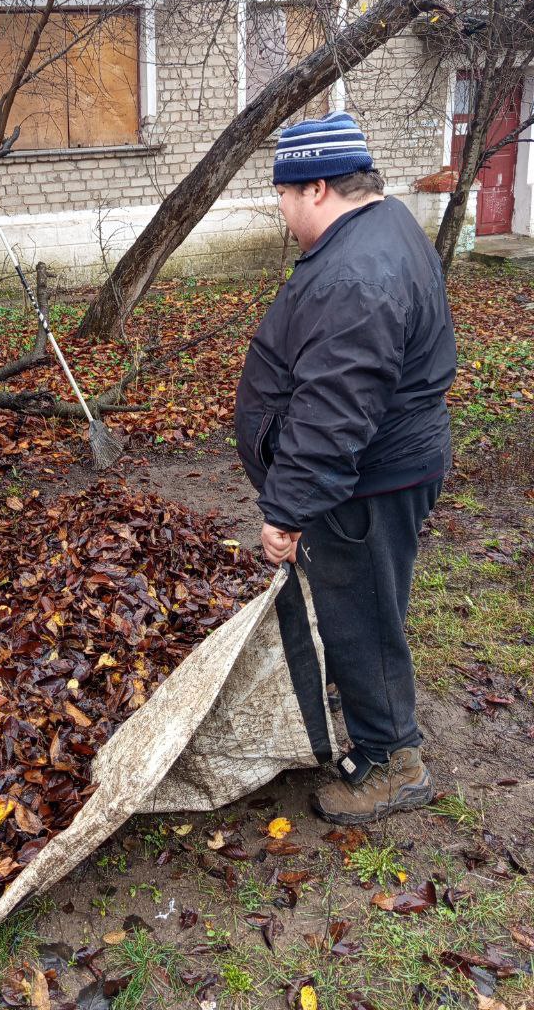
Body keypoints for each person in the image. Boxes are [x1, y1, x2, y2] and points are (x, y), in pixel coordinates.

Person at [234, 110, 457, 825]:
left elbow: (335, 411)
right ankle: (375, 720)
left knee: (360, 611)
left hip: (368, 479)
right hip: (389, 465)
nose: (282, 208)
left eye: (284, 195)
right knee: (367, 601)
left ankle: (394, 762)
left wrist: (286, 509)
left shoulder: (356, 274)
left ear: (319, 187)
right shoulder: (386, 228)